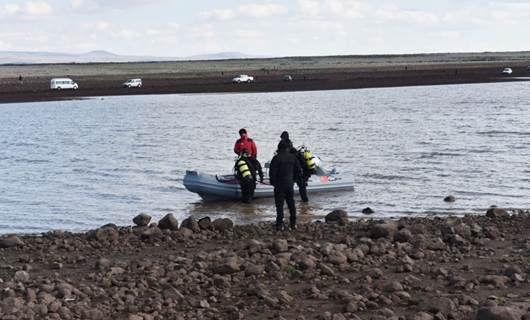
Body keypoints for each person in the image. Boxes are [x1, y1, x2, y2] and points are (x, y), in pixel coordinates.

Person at [269, 140, 302, 231]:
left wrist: (273, 182)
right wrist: (293, 180)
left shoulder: (276, 158)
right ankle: (293, 223)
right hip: (289, 184)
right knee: (291, 203)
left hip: (279, 185)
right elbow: (298, 171)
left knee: (279, 205)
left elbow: (272, 172)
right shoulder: (293, 158)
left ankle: (280, 224)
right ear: (288, 148)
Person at [280, 131, 310, 202]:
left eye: (281, 138)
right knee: (301, 188)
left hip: (294, 171)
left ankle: (290, 202)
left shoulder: (287, 149)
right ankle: (305, 204)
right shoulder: (292, 148)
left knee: (291, 187)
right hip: (298, 171)